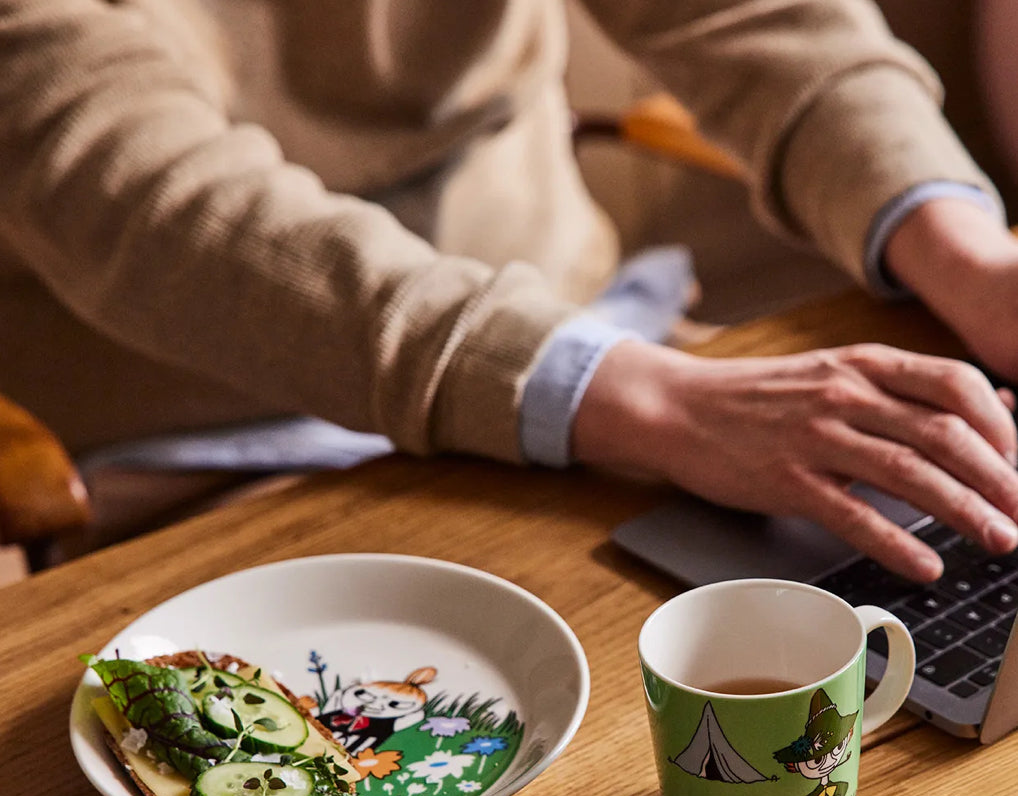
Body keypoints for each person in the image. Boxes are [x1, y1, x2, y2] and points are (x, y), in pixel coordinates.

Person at [3, 0, 1018, 582]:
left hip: (600, 341)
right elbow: (134, 186)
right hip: (214, 454)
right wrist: (641, 400)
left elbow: (745, 13)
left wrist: (959, 247)